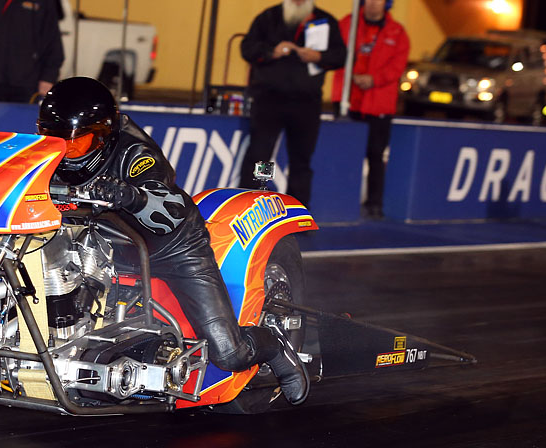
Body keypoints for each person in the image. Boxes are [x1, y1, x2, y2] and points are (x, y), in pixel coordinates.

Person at [36, 76, 309, 405]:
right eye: (55, 141)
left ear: (103, 133)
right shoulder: (51, 154)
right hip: (110, 249)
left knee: (228, 352)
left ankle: (275, 347)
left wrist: (130, 195)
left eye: (77, 144)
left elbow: (169, 209)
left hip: (175, 249)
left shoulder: (136, 153)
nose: (66, 152)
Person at [239, 0, 346, 206]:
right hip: (269, 100)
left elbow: (340, 55)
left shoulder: (325, 20)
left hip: (307, 102)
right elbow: (247, 48)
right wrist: (272, 51)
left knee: (301, 160)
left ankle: (297, 209)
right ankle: (250, 203)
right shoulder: (268, 17)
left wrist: (319, 56)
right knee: (261, 157)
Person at [331, 0, 409, 219]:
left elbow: (397, 66)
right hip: (347, 99)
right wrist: (352, 76)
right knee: (344, 154)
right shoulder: (347, 24)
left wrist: (374, 79)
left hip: (378, 104)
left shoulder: (397, 32)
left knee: (375, 155)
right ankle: (339, 200)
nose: (373, 3)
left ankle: (374, 204)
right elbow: (333, 52)